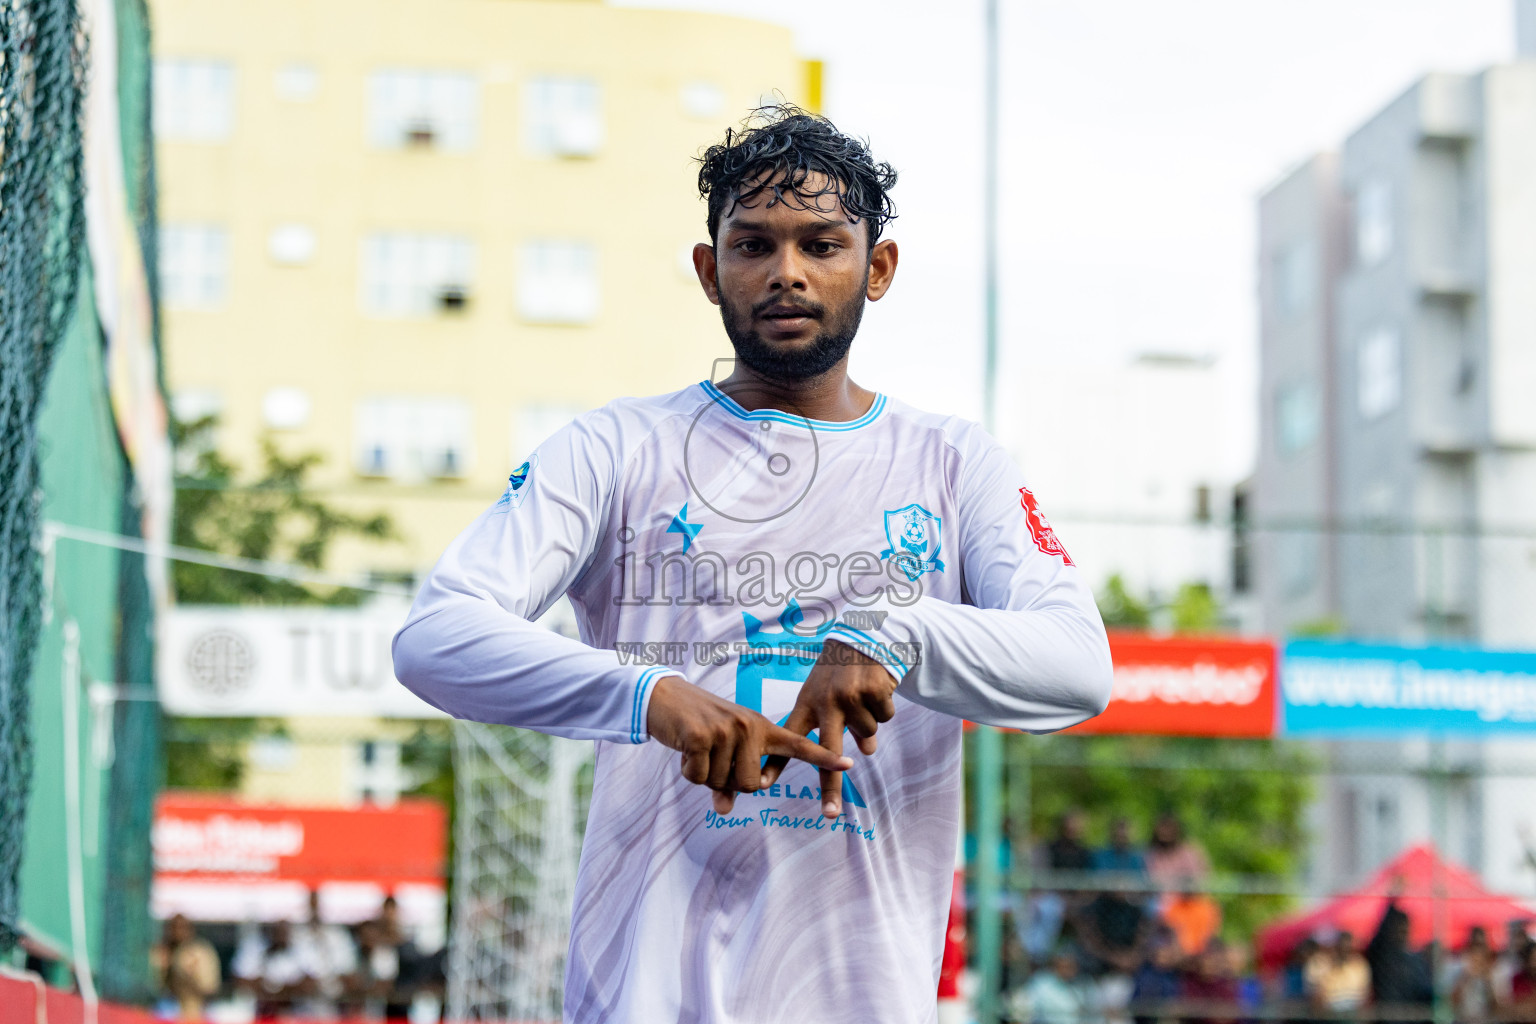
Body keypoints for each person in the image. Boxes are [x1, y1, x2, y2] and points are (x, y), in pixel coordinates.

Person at [391, 105, 1115, 1023]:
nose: (787, 272)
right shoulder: (616, 447)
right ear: (710, 270)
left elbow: (1079, 667)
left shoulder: (954, 463)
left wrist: (892, 632)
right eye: (753, 245)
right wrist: (650, 696)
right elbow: (435, 636)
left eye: (823, 244)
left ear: (878, 268)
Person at [292, 889, 358, 1016]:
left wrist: (329, 983)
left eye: (317, 903)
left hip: (333, 1001)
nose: (314, 908)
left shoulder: (338, 934)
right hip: (302, 1003)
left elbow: (347, 969)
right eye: (311, 904)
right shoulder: (296, 934)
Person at [232, 920, 313, 1018]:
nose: (280, 936)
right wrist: (267, 988)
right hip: (262, 1010)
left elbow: (310, 982)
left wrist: (285, 990)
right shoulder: (256, 948)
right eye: (277, 931)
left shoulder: (301, 950)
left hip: (294, 1010)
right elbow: (241, 980)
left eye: (283, 932)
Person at [150, 914, 221, 1021]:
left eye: (182, 927)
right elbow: (156, 985)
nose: (177, 932)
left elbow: (210, 986)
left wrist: (190, 973)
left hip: (196, 1008)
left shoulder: (199, 953)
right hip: (169, 1008)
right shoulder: (162, 952)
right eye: (174, 928)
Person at [1304, 930, 1371, 1016]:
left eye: (1347, 948)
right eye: (1340, 947)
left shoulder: (1359, 964)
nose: (1343, 950)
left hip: (1353, 1011)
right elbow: (1317, 994)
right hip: (1328, 1012)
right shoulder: (1321, 963)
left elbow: (1365, 994)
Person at [1018, 950, 1095, 1024]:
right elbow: (1024, 1007)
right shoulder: (1041, 983)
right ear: (1055, 966)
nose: (1068, 971)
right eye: (1065, 967)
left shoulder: (1081, 984)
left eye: (1072, 967)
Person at [1145, 814, 1210, 891]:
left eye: (1169, 827)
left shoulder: (1189, 851)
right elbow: (1151, 880)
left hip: (1187, 895)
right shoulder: (1151, 854)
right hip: (1161, 895)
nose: (1165, 832)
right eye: (1163, 828)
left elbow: (1200, 877)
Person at [1160, 880, 1222, 961]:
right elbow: (1167, 930)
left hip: (1201, 953)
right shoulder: (1174, 908)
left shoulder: (1207, 908)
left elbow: (1211, 933)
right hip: (1179, 954)